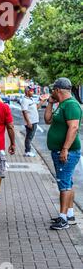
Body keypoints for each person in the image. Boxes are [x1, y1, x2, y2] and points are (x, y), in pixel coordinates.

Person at [45, 78, 82, 230]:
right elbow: (47, 120)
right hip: (61, 150)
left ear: (58, 90)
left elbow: (73, 128)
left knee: (64, 185)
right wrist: (50, 103)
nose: (52, 92)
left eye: (53, 89)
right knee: (68, 182)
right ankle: (70, 215)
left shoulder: (71, 105)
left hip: (66, 151)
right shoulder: (62, 105)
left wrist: (65, 149)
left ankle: (63, 218)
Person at [21, 85, 40, 157]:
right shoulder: (25, 100)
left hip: (34, 121)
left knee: (30, 137)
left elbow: (36, 108)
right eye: (31, 91)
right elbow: (24, 112)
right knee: (29, 137)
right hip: (31, 122)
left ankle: (28, 150)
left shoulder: (31, 99)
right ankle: (27, 151)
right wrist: (28, 122)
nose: (33, 92)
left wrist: (42, 101)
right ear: (27, 92)